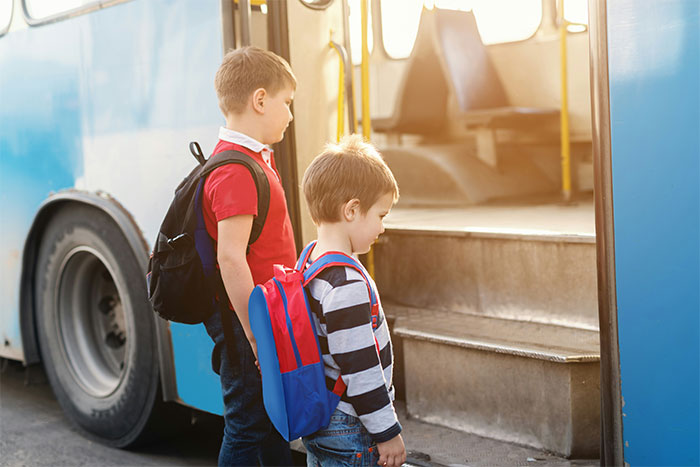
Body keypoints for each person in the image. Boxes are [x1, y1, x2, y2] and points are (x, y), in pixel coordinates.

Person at [202, 46, 296, 466]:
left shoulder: (251, 158)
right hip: (247, 323)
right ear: (260, 100)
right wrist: (255, 334)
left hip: (262, 315)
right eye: (286, 104)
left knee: (271, 421)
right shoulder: (235, 170)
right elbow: (231, 259)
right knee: (246, 424)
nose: (290, 116)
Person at [300, 135, 407, 467]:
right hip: (350, 425)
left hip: (322, 419)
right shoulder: (345, 283)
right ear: (352, 210)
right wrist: (387, 432)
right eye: (380, 215)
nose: (383, 227)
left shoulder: (308, 260)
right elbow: (361, 369)